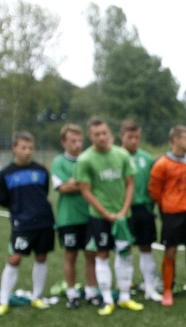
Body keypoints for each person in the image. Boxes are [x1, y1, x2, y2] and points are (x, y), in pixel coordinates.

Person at [76, 118, 145, 316]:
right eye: (97, 134)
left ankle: (125, 297)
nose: (101, 137)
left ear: (110, 133)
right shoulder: (85, 160)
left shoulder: (122, 155)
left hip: (123, 216)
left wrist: (124, 210)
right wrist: (104, 213)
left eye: (104, 133)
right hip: (100, 217)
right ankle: (107, 299)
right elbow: (85, 190)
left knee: (125, 254)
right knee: (102, 254)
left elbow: (130, 183)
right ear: (91, 136)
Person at [147, 125, 186, 306]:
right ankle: (167, 290)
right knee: (170, 251)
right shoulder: (162, 164)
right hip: (172, 214)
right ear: (175, 141)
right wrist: (167, 204)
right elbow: (154, 190)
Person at [0, 131, 55, 315]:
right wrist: (18, 211)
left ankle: (37, 297)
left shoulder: (41, 170)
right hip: (22, 223)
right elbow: (3, 199)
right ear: (14, 148)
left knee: (41, 257)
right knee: (14, 258)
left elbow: (44, 193)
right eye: (23, 147)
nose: (27, 151)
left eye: (30, 148)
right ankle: (3, 300)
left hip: (44, 221)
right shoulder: (5, 174)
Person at [50, 123, 100, 309]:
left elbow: (93, 184)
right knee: (70, 255)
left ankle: (91, 292)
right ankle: (72, 294)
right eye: (73, 141)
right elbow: (62, 188)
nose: (78, 144)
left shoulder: (88, 160)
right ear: (64, 142)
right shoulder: (58, 162)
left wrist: (76, 183)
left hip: (90, 216)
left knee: (91, 254)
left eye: (80, 140)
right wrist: (81, 184)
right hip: (68, 218)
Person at [119, 119, 162, 302]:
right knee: (124, 249)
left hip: (144, 210)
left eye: (137, 137)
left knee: (146, 248)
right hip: (123, 211)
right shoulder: (115, 157)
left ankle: (150, 288)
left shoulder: (147, 158)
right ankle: (124, 290)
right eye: (130, 137)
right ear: (122, 137)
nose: (134, 141)